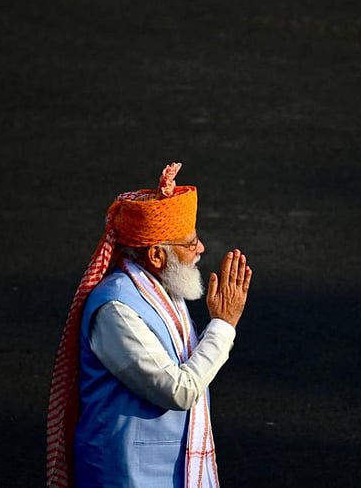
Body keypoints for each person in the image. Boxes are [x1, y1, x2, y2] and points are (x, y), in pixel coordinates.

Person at [47, 162, 252, 487]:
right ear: (156, 255)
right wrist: (223, 325)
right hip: (126, 475)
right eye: (190, 243)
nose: (200, 249)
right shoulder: (116, 310)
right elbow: (179, 390)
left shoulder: (163, 291)